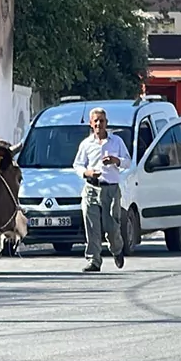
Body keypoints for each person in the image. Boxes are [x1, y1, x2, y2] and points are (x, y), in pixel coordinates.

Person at [72, 107, 130, 272]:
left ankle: (117, 249)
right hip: (91, 188)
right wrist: (87, 172)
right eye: (95, 121)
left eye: (102, 121)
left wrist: (115, 160)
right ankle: (94, 260)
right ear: (91, 124)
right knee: (92, 227)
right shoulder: (86, 144)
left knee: (112, 227)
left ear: (107, 123)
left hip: (111, 190)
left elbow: (127, 162)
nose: (99, 124)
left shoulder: (116, 141)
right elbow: (77, 164)